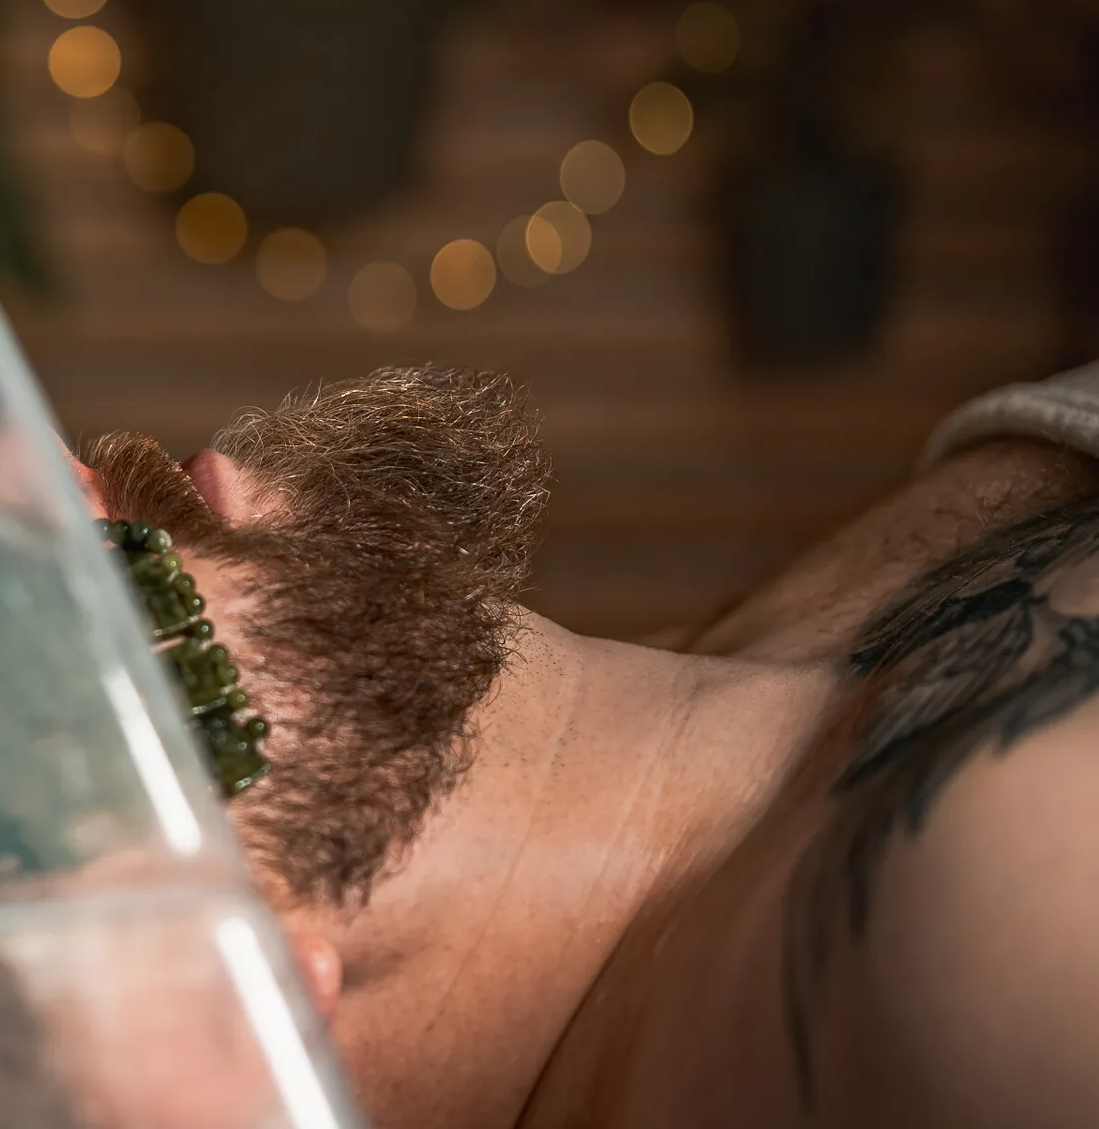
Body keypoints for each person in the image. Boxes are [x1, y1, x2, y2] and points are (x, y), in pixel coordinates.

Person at [65, 362, 1099, 1129]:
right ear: (208, 1023)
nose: (47, 473)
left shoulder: (708, 691)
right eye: (1, 670)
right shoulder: (982, 973)